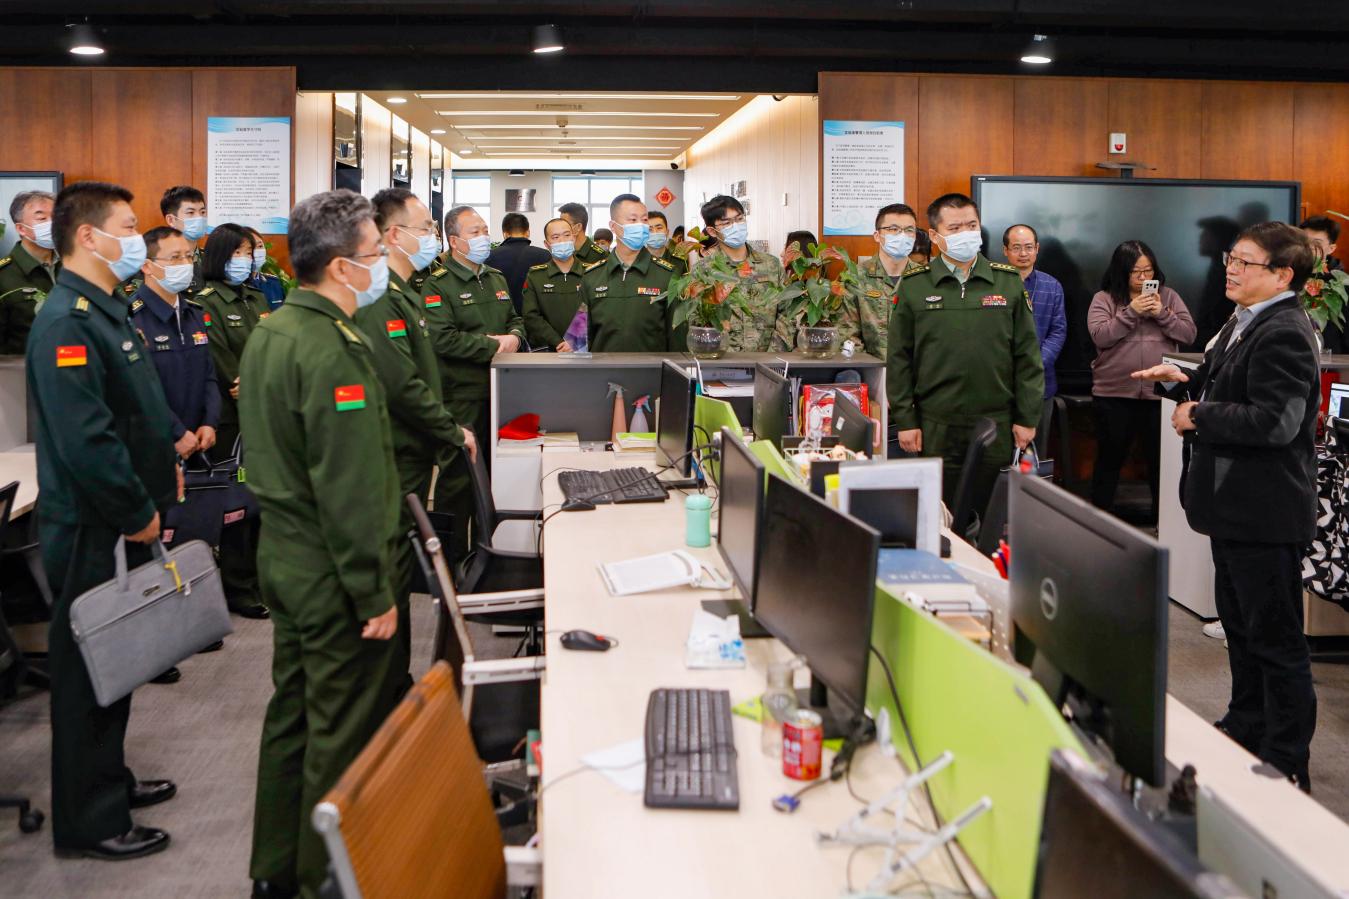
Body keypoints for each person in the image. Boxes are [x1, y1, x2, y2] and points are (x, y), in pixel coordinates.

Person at [240, 189, 399, 899]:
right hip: (332, 570)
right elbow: (349, 486)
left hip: (284, 558)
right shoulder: (332, 348)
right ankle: (316, 881)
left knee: (293, 717)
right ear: (340, 267)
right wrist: (373, 589)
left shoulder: (274, 330)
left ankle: (274, 868)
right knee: (337, 727)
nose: (382, 263)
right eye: (376, 252)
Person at [1132, 222, 1320, 793]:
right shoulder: (1246, 320)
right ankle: (1246, 727)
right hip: (1233, 508)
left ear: (1283, 275)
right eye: (1230, 258)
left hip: (1265, 511)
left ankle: (1286, 757)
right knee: (1241, 628)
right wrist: (1181, 382)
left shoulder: (1285, 330)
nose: (1231, 270)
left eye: (1245, 262)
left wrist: (1198, 415)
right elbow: (1228, 388)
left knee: (1275, 639)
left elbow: (1275, 421)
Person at [27, 181, 182, 861]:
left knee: (115, 662)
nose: (135, 237)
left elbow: (134, 410)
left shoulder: (105, 308)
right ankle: (89, 821)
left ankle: (109, 780)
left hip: (119, 515)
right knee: (87, 673)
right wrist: (135, 508)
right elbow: (86, 439)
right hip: (94, 522)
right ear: (88, 236)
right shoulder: (68, 320)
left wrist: (163, 465)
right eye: (125, 226)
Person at [354, 188, 473, 711]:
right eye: (426, 228)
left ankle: (395, 683)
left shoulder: (406, 289)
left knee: (399, 571)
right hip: (394, 456)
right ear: (394, 234)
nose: (433, 238)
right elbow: (401, 382)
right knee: (390, 574)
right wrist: (451, 430)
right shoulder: (380, 295)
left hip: (411, 454)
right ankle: (389, 692)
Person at [887, 192, 1043, 514]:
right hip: (935, 424)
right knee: (939, 515)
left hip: (996, 423)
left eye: (971, 226)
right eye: (955, 228)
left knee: (991, 516)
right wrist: (905, 420)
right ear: (935, 236)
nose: (966, 234)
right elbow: (900, 358)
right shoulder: (915, 285)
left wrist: (1027, 418)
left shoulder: (1007, 282)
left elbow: (1028, 356)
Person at [421, 205, 524, 559]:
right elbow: (443, 339)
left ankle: (485, 557)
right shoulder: (438, 284)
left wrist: (514, 336)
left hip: (500, 392)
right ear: (454, 241)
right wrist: (494, 345)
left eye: (484, 230)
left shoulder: (495, 278)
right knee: (458, 484)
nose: (483, 237)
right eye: (474, 232)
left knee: (494, 480)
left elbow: (515, 319)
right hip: (460, 397)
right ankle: (451, 565)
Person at [192, 224, 268, 620]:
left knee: (262, 501)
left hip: (264, 412)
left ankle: (259, 579)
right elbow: (219, 360)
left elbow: (273, 348)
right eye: (238, 253)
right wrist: (251, 382)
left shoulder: (257, 298)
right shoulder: (206, 302)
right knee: (236, 506)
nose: (247, 259)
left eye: (249, 252)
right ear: (221, 256)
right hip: (229, 420)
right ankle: (238, 587)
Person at [1087, 241, 1195, 518]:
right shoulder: (1104, 299)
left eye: (1149, 270)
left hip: (1160, 394)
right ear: (1121, 271)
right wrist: (1132, 311)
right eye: (1136, 272)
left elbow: (1188, 334)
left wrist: (1161, 313)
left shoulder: (1169, 296)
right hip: (1114, 393)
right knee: (1109, 460)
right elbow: (1101, 336)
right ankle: (1098, 523)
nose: (1144, 277)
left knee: (1161, 463)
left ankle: (1164, 523)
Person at [129, 226, 220, 467]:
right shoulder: (131, 317)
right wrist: (176, 433)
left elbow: (208, 375)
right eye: (175, 258)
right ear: (147, 266)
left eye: (188, 256)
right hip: (155, 446)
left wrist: (210, 422)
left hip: (199, 443)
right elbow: (137, 390)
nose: (185, 264)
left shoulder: (194, 313)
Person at [580, 194, 678, 352]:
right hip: (603, 366)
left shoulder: (666, 275)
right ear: (613, 226)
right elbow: (579, 340)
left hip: (651, 367)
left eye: (644, 220)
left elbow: (677, 339)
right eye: (633, 220)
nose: (641, 225)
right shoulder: (592, 276)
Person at [694, 194, 789, 352]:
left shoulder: (771, 265)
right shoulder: (704, 270)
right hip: (722, 359)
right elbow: (697, 319)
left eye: (739, 219)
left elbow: (788, 314)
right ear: (712, 231)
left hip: (769, 359)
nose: (736, 226)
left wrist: (772, 355)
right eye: (727, 223)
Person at [841, 204, 920, 358]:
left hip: (916, 369)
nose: (902, 235)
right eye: (893, 229)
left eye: (909, 230)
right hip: (870, 367)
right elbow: (847, 335)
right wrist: (870, 368)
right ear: (877, 235)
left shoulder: (925, 278)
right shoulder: (855, 277)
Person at [1003, 224, 1067, 399]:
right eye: (1016, 248)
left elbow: (1058, 331)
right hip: (1000, 381)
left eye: (1029, 247)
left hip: (1041, 380)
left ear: (1037, 248)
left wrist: (1037, 362)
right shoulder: (992, 285)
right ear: (1005, 250)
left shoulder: (1052, 286)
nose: (1023, 253)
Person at [0, 189, 60, 354]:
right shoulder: (4, 275)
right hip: (22, 367)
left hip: (75, 365)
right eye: (42, 218)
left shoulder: (74, 268)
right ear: (21, 229)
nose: (52, 224)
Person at [522, 217, 587, 351]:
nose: (562, 241)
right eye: (555, 237)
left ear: (574, 238)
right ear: (547, 244)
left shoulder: (591, 273)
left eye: (567, 235)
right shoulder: (535, 276)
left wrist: (574, 341)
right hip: (548, 351)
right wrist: (558, 342)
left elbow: (596, 309)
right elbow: (531, 316)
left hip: (585, 349)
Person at [486, 212, 549, 313]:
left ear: (505, 234)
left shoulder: (489, 257)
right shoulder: (545, 255)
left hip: (502, 316)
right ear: (528, 232)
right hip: (536, 316)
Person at [1301, 215, 1343, 352]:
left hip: (1332, 359)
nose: (1308, 247)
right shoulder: (1287, 277)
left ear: (1331, 248)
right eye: (1304, 241)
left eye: (1316, 243)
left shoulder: (1341, 284)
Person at [244, 226, 288, 310]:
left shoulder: (274, 283)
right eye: (251, 248)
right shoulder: (235, 284)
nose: (257, 251)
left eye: (260, 246)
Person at [646, 210, 687, 274]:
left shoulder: (680, 262)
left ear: (667, 232)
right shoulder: (634, 260)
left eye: (659, 228)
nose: (655, 232)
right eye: (649, 229)